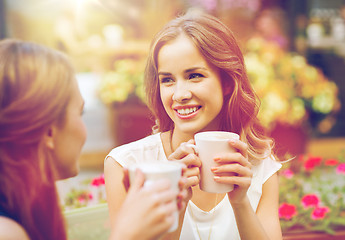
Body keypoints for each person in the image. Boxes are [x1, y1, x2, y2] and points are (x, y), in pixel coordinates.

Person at [104, 11, 282, 240]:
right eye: (167, 79)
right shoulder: (126, 164)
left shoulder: (259, 166)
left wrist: (240, 204)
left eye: (195, 75)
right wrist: (174, 201)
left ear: (227, 82)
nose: (179, 94)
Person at [0, 39, 185, 240]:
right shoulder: (8, 233)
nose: (83, 129)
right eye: (81, 113)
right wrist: (127, 235)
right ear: (49, 133)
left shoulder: (21, 213)